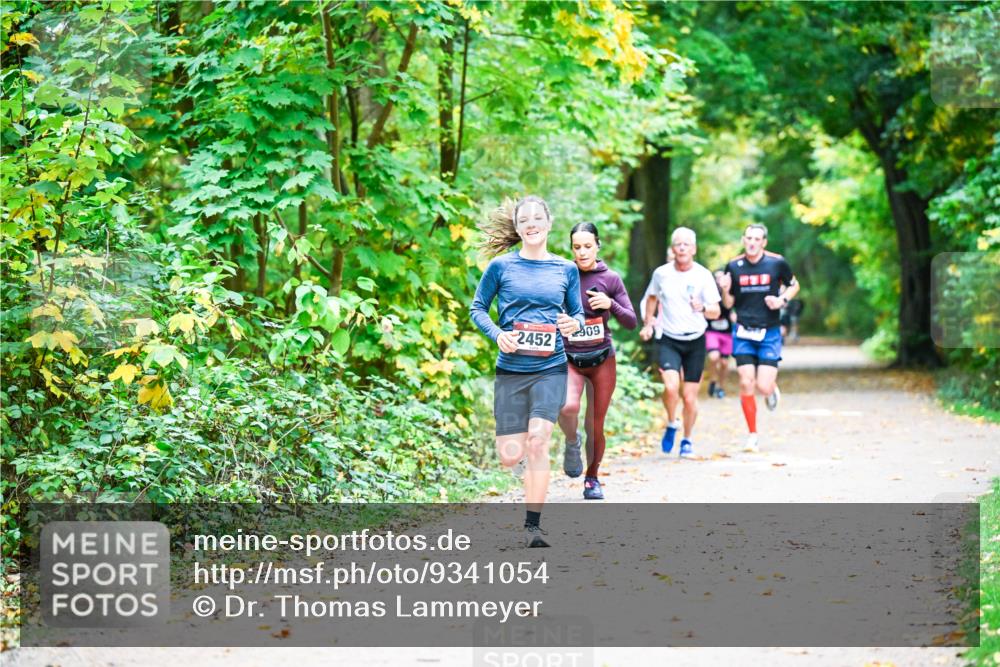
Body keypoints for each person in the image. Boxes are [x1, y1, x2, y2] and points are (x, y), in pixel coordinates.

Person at [471, 196, 585, 547]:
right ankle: (523, 471)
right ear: (518, 227)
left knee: (537, 442)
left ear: (549, 224)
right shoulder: (501, 268)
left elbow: (578, 315)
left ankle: (532, 526)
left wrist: (571, 324)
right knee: (510, 456)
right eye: (525, 219)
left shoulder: (566, 269)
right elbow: (477, 309)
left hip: (550, 367)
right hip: (511, 370)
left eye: (538, 218)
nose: (532, 223)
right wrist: (498, 334)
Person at [558, 223, 636, 500]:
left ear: (598, 246)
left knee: (595, 425)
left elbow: (630, 320)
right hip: (570, 358)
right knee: (567, 407)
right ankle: (570, 441)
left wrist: (609, 304)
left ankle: (592, 478)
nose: (582, 252)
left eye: (587, 246)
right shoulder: (563, 275)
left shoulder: (610, 278)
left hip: (603, 359)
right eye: (576, 247)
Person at [639, 227, 721, 458]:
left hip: (695, 341)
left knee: (690, 397)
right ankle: (672, 422)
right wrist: (648, 323)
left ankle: (686, 439)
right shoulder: (662, 274)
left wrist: (702, 307)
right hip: (669, 339)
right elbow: (652, 297)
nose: (682, 247)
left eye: (687, 244)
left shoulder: (703, 275)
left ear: (694, 249)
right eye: (678, 244)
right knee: (671, 387)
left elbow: (715, 311)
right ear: (673, 249)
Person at [718, 223, 800, 453]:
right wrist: (725, 289)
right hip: (743, 331)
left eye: (757, 239)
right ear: (744, 240)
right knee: (746, 382)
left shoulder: (777, 263)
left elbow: (794, 285)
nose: (752, 242)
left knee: (763, 385)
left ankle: (771, 389)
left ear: (764, 242)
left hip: (770, 331)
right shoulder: (734, 266)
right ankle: (752, 434)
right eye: (748, 238)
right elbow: (729, 304)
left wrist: (781, 300)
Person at [705, 269, 735, 399]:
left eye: (721, 277)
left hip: (726, 333)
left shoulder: (730, 292)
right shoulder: (708, 293)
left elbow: (731, 306)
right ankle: (712, 379)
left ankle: (721, 387)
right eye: (716, 277)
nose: (719, 280)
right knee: (713, 357)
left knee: (724, 363)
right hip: (712, 331)